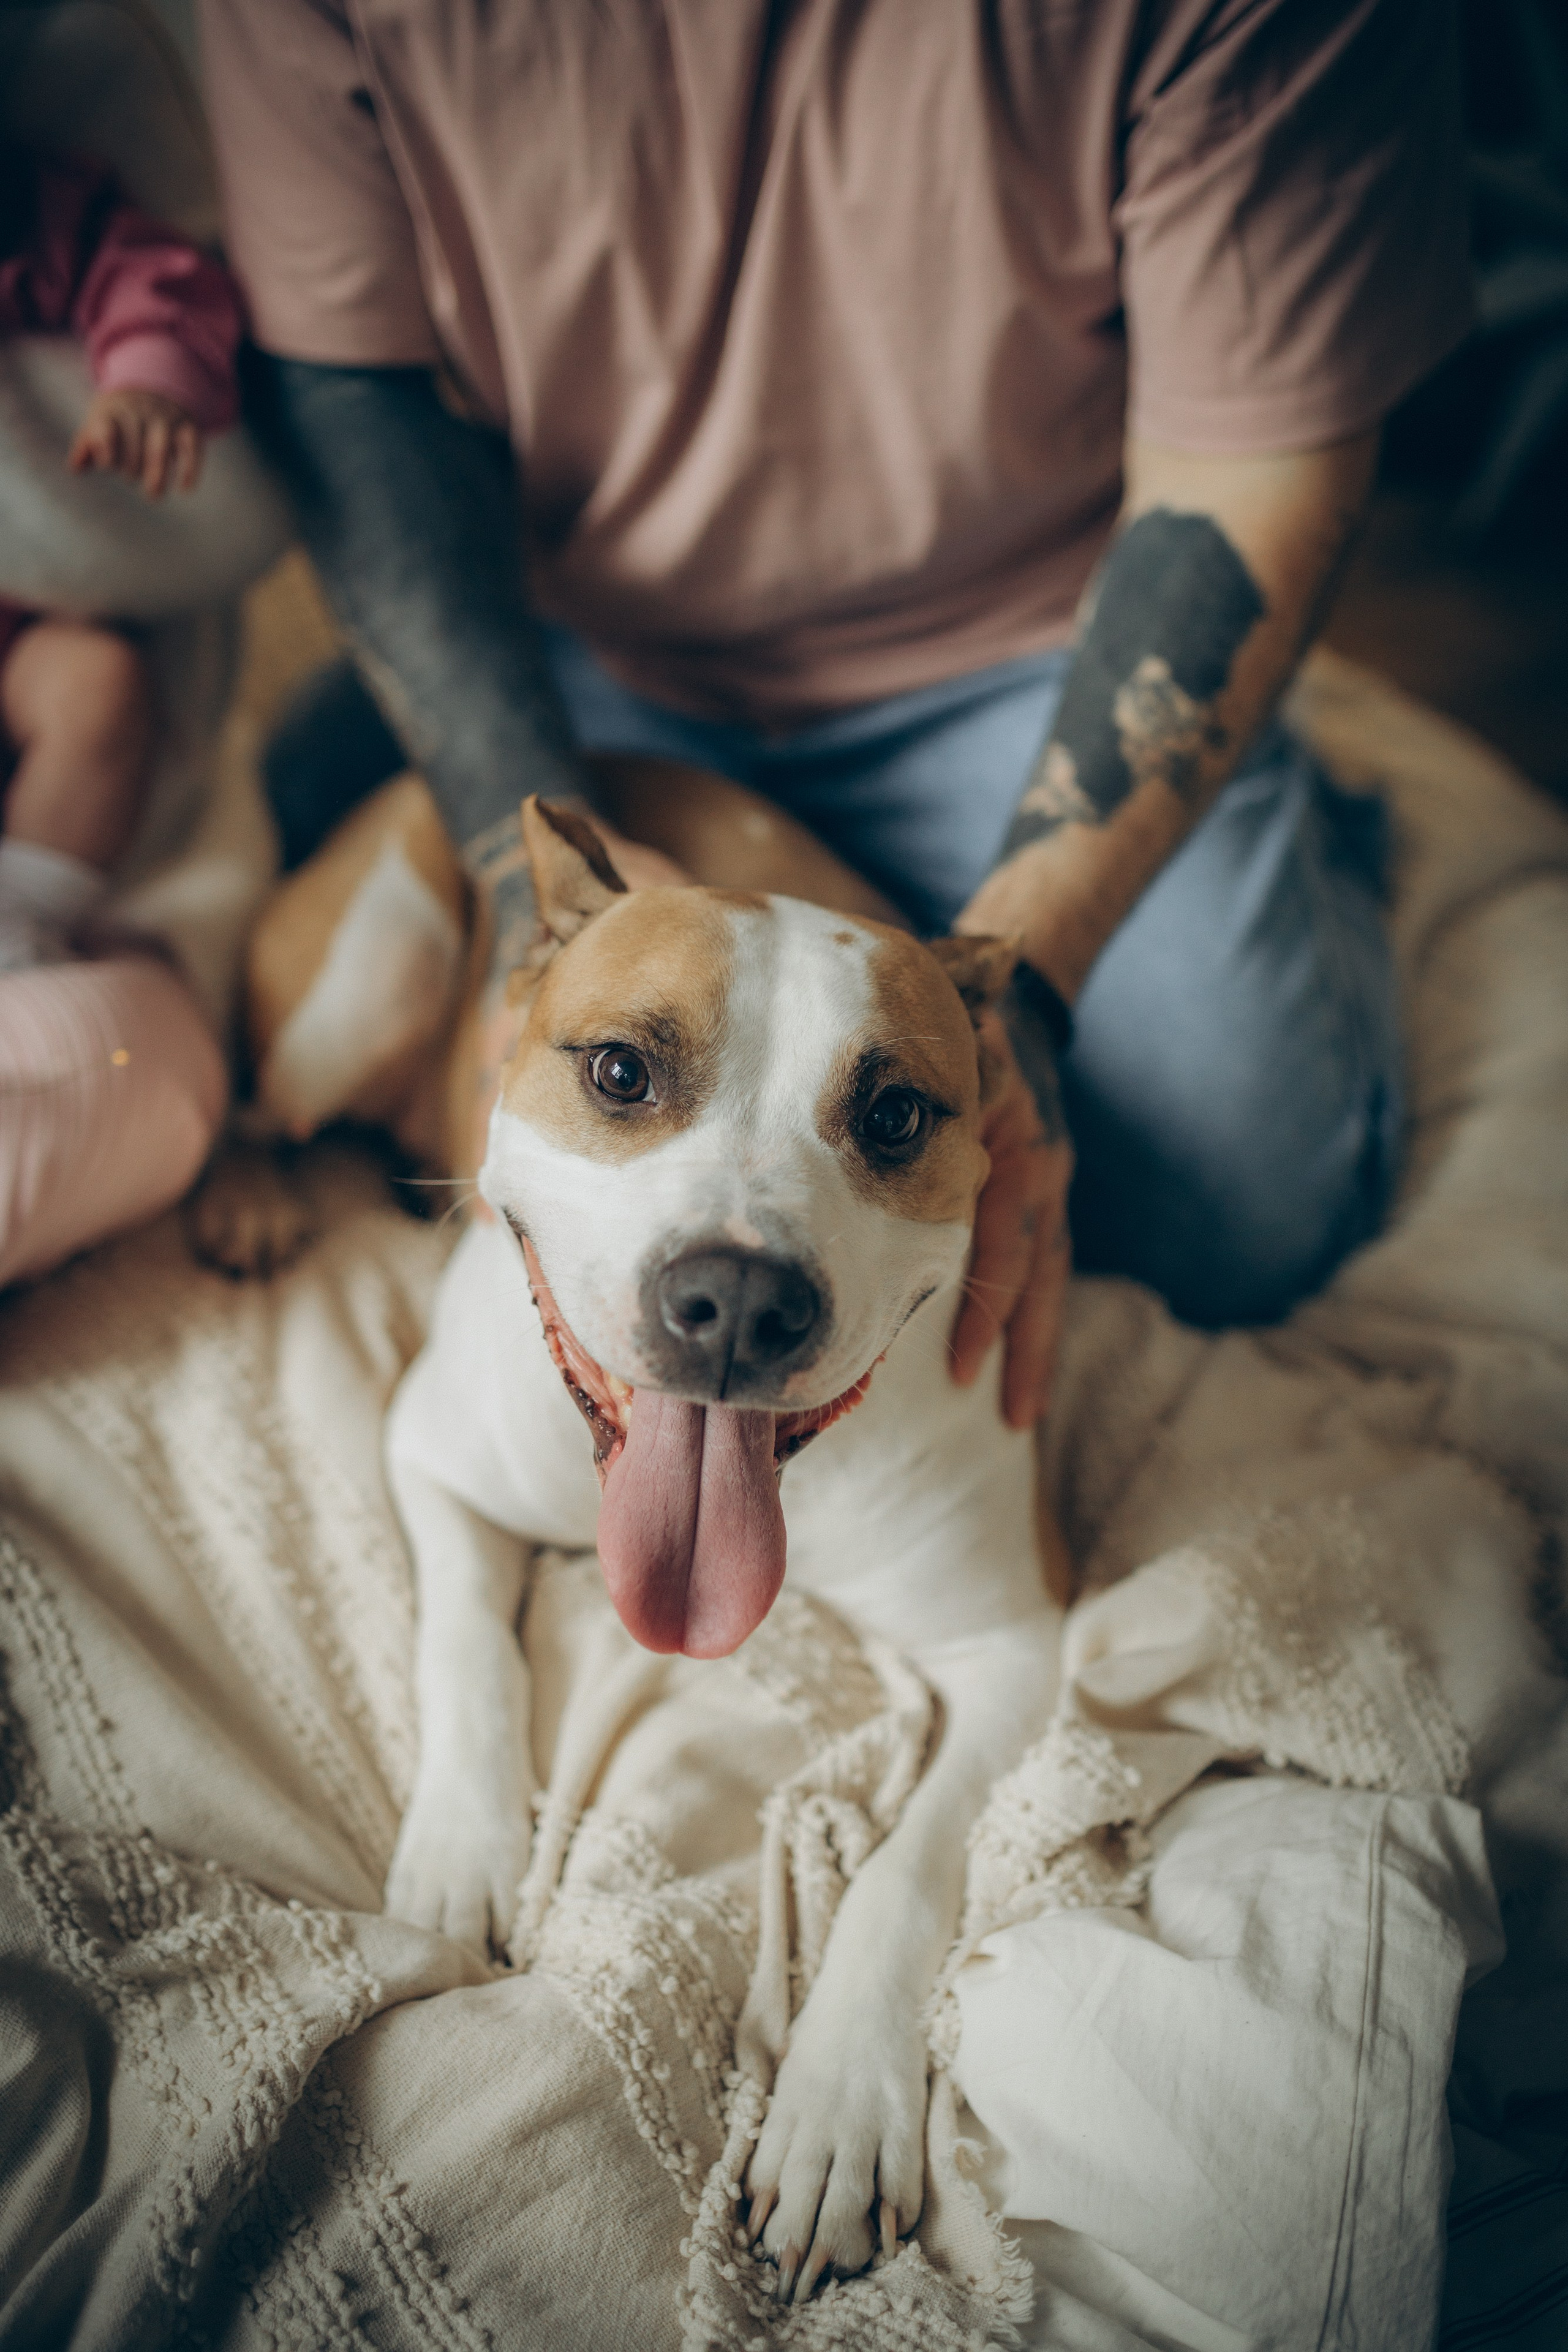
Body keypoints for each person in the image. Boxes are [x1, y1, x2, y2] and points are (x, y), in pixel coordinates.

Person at [198, 0, 1470, 1414]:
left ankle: (1291, 828)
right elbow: (346, 384)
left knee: (1238, 1216)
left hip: (1033, 641)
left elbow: (1257, 466)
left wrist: (1023, 1002)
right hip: (576, 627)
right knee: (291, 812)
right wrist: (515, 868)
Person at [0, 147, 244, 972]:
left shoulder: (29, 211)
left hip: (28, 632)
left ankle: (19, 930)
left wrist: (146, 378)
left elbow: (148, 273)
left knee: (100, 688)